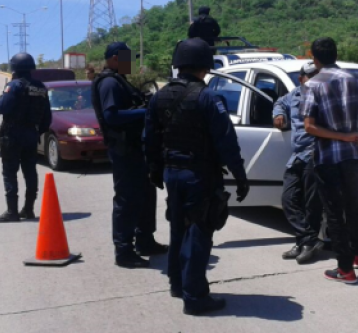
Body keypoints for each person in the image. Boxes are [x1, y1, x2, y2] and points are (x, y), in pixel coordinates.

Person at [144, 38, 250, 315]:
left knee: (178, 228)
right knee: (199, 232)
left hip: (172, 173)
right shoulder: (208, 97)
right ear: (205, 65)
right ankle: (195, 297)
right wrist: (239, 175)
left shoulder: (159, 96)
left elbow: (150, 139)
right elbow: (226, 141)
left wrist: (154, 170)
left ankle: (178, 284)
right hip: (199, 175)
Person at [301, 37, 358, 284]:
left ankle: (345, 269)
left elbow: (310, 127)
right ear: (335, 54)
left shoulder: (312, 85)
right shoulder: (356, 80)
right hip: (351, 155)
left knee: (334, 212)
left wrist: (341, 136)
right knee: (353, 205)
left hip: (328, 157)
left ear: (314, 58)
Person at [91, 42, 168, 268]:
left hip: (136, 148)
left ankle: (145, 241)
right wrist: (145, 111)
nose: (131, 63)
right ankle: (123, 250)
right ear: (115, 58)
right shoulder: (109, 83)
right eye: (128, 58)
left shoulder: (120, 80)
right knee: (127, 199)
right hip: (124, 149)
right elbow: (112, 116)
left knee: (146, 195)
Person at [273, 61, 323, 264]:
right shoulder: (293, 95)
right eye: (310, 77)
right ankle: (308, 239)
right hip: (297, 155)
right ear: (301, 79)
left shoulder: (325, 96)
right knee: (288, 199)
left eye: (317, 76)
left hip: (315, 153)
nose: (314, 81)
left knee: (312, 204)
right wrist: (278, 114)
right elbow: (279, 102)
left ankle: (305, 244)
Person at [0, 53, 52, 223]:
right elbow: (46, 116)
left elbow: (2, 108)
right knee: (30, 172)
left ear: (14, 69)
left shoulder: (14, 85)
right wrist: (38, 132)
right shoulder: (40, 87)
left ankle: (12, 211)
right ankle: (28, 209)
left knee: (10, 173)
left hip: (12, 134)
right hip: (31, 135)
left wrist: (5, 92)